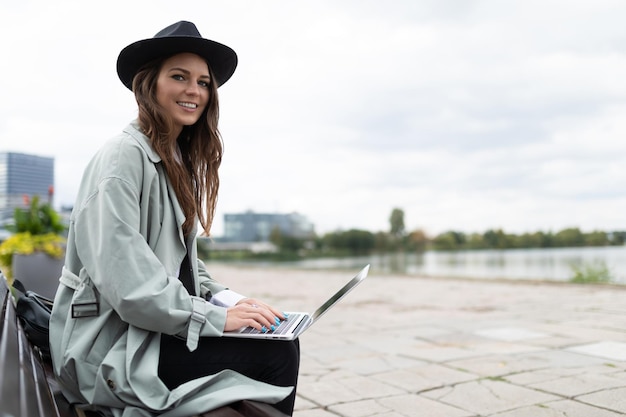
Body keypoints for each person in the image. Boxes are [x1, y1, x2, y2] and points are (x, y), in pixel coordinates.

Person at [49, 21, 300, 417]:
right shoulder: (123, 159)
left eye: (203, 82)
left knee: (275, 337)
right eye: (179, 77)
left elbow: (180, 266)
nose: (193, 91)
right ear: (149, 84)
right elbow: (131, 288)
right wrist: (217, 318)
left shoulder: (171, 161)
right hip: (110, 349)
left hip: (148, 332)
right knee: (276, 355)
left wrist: (231, 302)